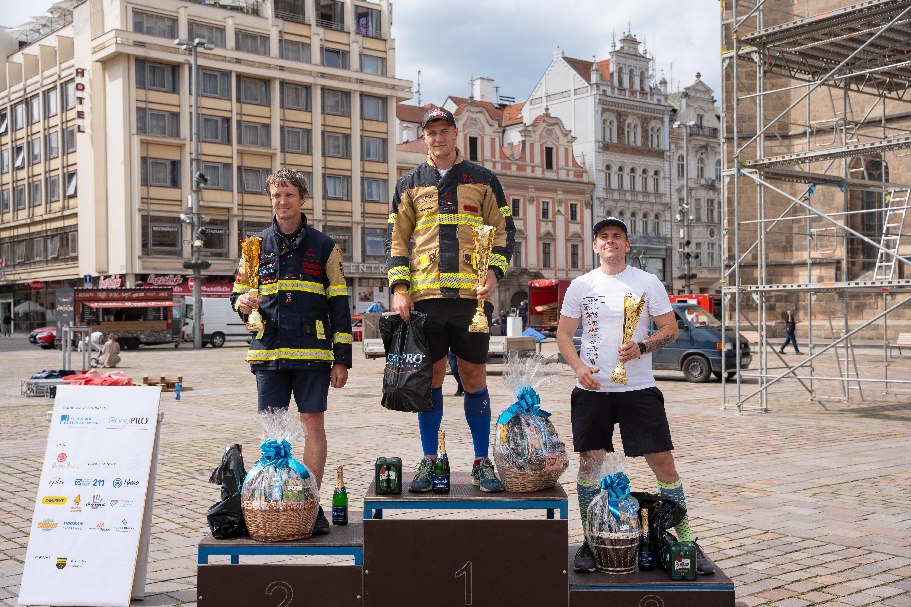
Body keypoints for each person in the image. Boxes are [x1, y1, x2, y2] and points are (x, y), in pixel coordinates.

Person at [556, 217, 715, 576]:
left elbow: (670, 329)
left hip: (639, 388)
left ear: (627, 245)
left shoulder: (647, 282)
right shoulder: (581, 285)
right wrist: (579, 367)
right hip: (593, 389)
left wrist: (642, 345)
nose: (610, 241)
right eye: (603, 237)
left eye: (617, 237)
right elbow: (564, 335)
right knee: (589, 466)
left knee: (663, 464)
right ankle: (591, 540)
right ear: (595, 246)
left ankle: (685, 539)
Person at [386, 106, 516, 493]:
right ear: (423, 137)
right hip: (426, 299)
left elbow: (505, 232)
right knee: (431, 380)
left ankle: (481, 461)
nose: (438, 138)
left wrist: (494, 273)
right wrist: (399, 288)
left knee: (474, 378)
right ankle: (429, 461)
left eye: (444, 130)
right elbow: (396, 240)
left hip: (471, 300)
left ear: (456, 133)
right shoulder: (409, 183)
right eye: (431, 132)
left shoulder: (483, 179)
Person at [231, 168, 352, 535]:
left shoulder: (325, 246)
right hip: (268, 352)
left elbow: (340, 304)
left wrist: (342, 357)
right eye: (275, 196)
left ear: (302, 199)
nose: (281, 202)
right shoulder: (253, 247)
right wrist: (244, 301)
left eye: (288, 195)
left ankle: (310, 504)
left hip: (313, 353)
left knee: (312, 424)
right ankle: (276, 499)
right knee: (272, 432)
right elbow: (237, 294)